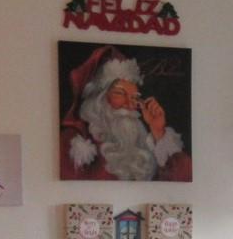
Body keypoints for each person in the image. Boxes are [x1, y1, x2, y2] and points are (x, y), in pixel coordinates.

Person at [60, 45, 190, 181]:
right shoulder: (72, 142)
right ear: (99, 98)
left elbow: (183, 177)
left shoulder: (145, 143)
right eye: (120, 93)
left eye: (134, 97)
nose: (129, 104)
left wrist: (158, 131)